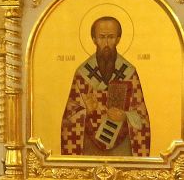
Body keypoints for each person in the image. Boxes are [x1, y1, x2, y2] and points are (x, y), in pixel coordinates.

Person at [60, 15, 150, 156]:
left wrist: (125, 116)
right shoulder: (82, 74)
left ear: (118, 39)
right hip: (89, 145)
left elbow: (141, 116)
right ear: (94, 39)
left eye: (111, 37)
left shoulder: (129, 73)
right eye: (102, 37)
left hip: (122, 145)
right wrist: (86, 111)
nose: (106, 43)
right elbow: (69, 119)